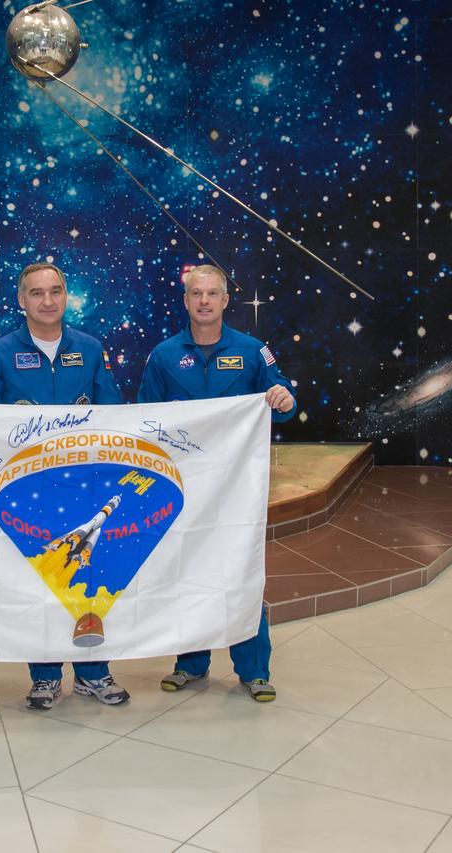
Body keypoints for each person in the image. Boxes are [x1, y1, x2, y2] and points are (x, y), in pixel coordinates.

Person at [137, 264, 297, 702]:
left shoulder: (252, 351)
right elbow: (142, 419)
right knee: (187, 573)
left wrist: (284, 398)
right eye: (196, 294)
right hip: (184, 490)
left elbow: (282, 399)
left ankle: (254, 669)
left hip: (236, 491)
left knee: (242, 573)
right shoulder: (164, 356)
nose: (204, 301)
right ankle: (190, 664)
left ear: (226, 301)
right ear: (186, 301)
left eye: (213, 294)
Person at [0, 262, 130, 711]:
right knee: (37, 581)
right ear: (21, 300)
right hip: (27, 492)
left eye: (56, 291)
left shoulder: (90, 348)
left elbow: (112, 412)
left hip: (85, 489)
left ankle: (93, 673)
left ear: (66, 297)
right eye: (37, 293)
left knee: (88, 578)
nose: (47, 301)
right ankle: (43, 676)